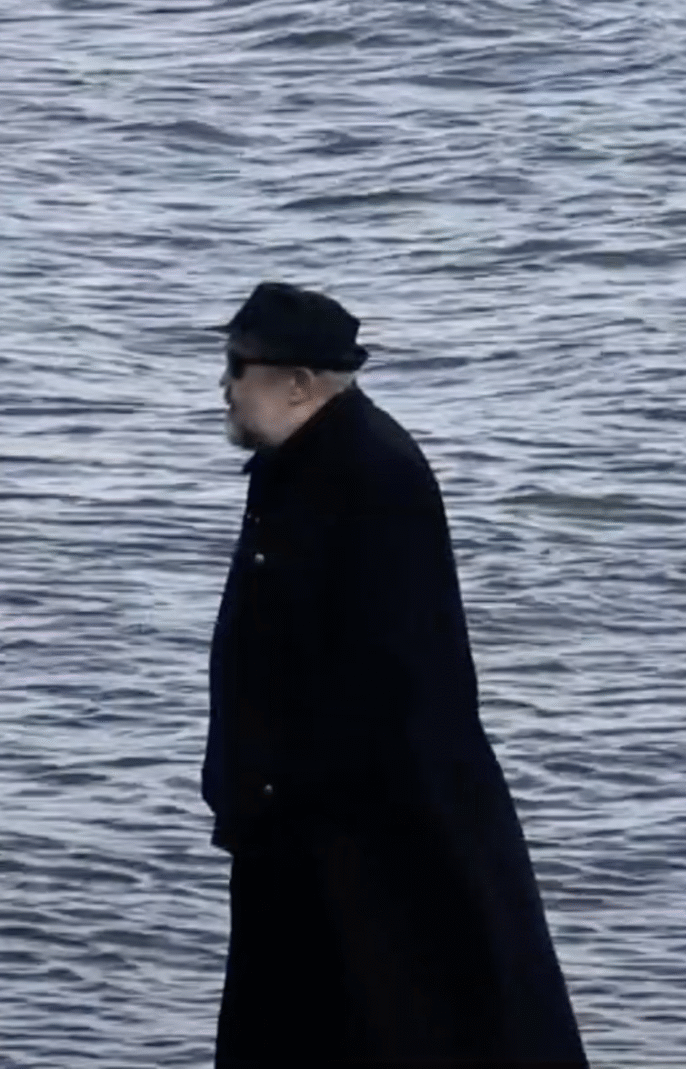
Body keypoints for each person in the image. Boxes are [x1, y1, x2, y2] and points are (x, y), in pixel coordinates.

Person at [202, 281, 589, 1067]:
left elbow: (396, 668)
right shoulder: (298, 464)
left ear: (298, 383)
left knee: (402, 1017)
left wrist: (297, 793)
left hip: (364, 826)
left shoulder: (370, 475)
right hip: (299, 819)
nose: (225, 385)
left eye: (239, 366)